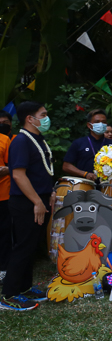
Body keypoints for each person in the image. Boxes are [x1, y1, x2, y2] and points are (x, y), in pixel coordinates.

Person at [1, 102, 55, 311]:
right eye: (43, 114)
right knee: (23, 246)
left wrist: (49, 193)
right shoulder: (21, 141)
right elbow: (18, 175)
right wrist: (37, 201)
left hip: (39, 199)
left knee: (31, 246)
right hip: (27, 202)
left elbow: (41, 170)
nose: (46, 118)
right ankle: (9, 295)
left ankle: (24, 288)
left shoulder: (37, 139)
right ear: (30, 119)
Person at [62, 109, 112, 181]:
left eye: (103, 122)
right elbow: (66, 166)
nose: (101, 124)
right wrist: (85, 174)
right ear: (89, 125)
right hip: (84, 184)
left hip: (107, 185)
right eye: (97, 122)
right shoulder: (79, 143)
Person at [0, 111, 13, 285]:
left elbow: (12, 165)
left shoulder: (6, 139)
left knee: (4, 232)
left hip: (3, 194)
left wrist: (6, 169)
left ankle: (3, 268)